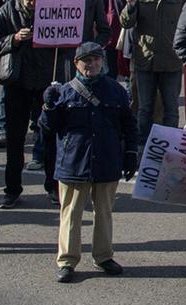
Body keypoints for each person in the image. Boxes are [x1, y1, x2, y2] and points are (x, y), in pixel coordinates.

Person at [39, 41, 134, 282]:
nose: (92, 64)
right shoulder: (64, 92)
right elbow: (49, 129)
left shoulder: (116, 90)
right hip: (74, 161)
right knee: (71, 213)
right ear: (77, 64)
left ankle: (103, 256)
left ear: (103, 61)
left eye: (96, 59)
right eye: (86, 61)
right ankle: (67, 260)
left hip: (107, 159)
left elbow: (129, 125)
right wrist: (48, 106)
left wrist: (131, 153)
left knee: (104, 212)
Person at [0, 0, 59, 209]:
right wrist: (14, 40)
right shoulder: (8, 11)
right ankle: (12, 189)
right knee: (15, 141)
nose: (33, 3)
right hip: (17, 82)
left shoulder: (54, 9)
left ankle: (53, 187)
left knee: (49, 138)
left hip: (44, 82)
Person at [121, 0, 186, 164]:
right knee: (145, 108)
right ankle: (143, 151)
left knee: (171, 109)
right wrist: (131, 6)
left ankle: (168, 150)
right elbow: (126, 23)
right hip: (145, 59)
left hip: (172, 60)